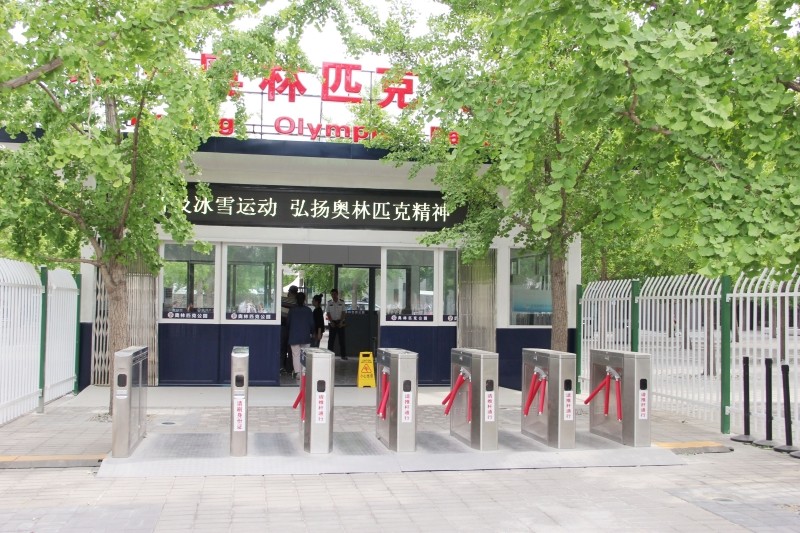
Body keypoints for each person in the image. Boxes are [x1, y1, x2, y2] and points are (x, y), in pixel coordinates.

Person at [286, 292, 315, 380]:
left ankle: (298, 374)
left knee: (296, 355)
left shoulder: (292, 310)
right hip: (305, 336)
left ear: (296, 300)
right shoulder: (308, 310)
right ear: (304, 300)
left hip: (294, 336)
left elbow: (288, 323)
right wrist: (312, 332)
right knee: (305, 355)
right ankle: (304, 373)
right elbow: (312, 324)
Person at [280, 285, 298, 374]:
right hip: (293, 329)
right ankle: (290, 368)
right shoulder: (298, 302)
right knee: (291, 349)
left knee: (282, 347)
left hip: (283, 327)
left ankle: (281, 367)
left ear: (289, 292)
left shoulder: (282, 300)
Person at [325, 288, 348, 359]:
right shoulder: (329, 303)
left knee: (342, 340)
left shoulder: (341, 302)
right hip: (332, 322)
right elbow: (328, 313)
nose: (333, 295)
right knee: (331, 340)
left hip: (340, 322)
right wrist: (331, 322)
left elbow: (344, 312)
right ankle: (329, 355)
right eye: (332, 294)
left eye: (334, 294)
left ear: (337, 294)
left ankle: (343, 356)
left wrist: (341, 322)